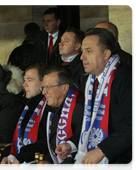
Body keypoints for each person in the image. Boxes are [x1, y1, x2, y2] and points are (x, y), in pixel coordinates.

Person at [55, 28, 136, 170]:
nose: (82, 57)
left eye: (88, 51)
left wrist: (102, 150)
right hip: (98, 154)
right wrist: (71, 144)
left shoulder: (127, 79)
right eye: (82, 52)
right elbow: (91, 123)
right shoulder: (91, 81)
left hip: (123, 159)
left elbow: (133, 124)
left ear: (106, 54)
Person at [1, 63, 48, 169]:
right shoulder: (27, 105)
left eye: (29, 80)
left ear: (44, 82)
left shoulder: (49, 106)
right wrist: (8, 155)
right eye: (25, 80)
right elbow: (19, 139)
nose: (24, 84)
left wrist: (21, 156)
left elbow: (48, 141)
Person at [37, 66, 84, 170]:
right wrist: (48, 160)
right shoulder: (55, 108)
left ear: (64, 88)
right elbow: (56, 143)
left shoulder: (80, 108)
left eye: (48, 87)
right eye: (43, 88)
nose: (43, 92)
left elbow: (83, 146)